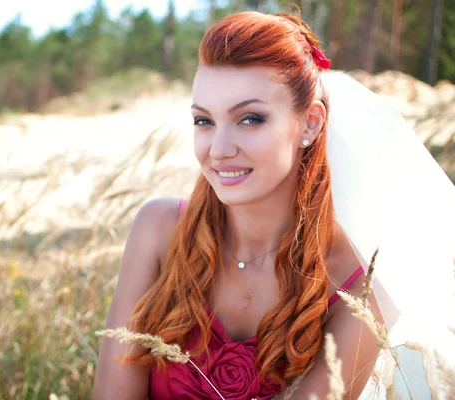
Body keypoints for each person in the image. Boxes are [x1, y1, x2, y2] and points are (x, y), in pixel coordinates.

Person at [94, 10, 454, 400]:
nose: (219, 149)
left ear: (311, 123)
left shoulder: (361, 286)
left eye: (249, 119)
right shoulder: (158, 229)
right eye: (204, 121)